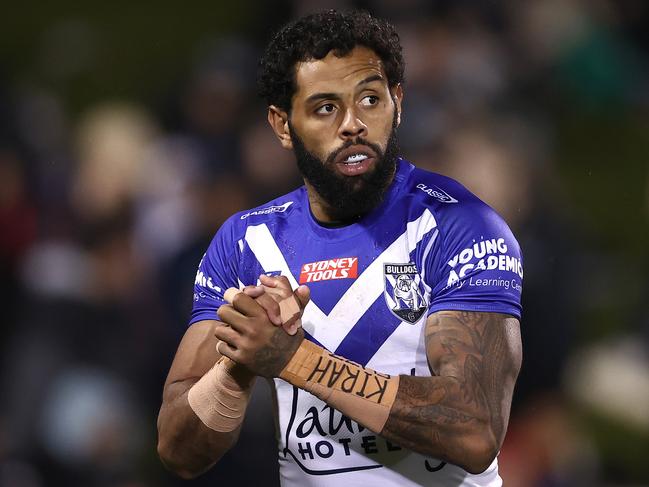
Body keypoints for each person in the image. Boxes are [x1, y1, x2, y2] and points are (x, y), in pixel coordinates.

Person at [157, 9, 523, 487]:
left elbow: (475, 431)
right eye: (326, 107)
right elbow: (179, 452)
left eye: (370, 99)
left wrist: (294, 359)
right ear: (282, 125)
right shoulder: (247, 244)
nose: (353, 124)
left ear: (398, 103)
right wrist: (237, 366)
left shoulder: (460, 226)